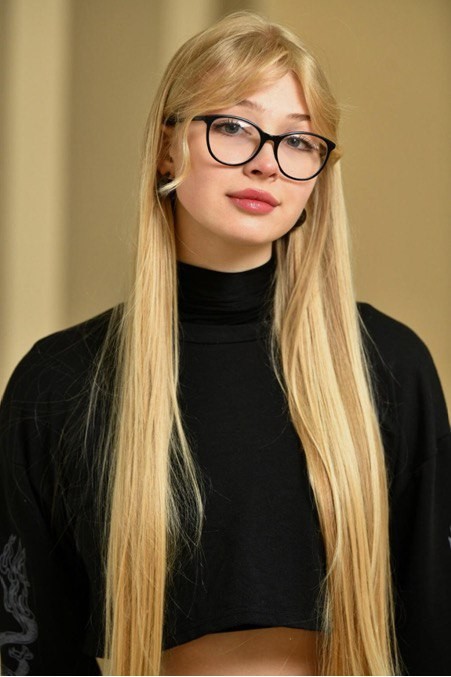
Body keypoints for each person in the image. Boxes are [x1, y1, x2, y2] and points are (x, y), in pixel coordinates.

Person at [0, 10, 450, 676]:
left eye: (298, 141)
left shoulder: (386, 365)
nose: (267, 163)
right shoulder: (60, 382)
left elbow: (435, 629)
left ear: (318, 172)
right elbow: (30, 650)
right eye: (234, 127)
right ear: (167, 147)